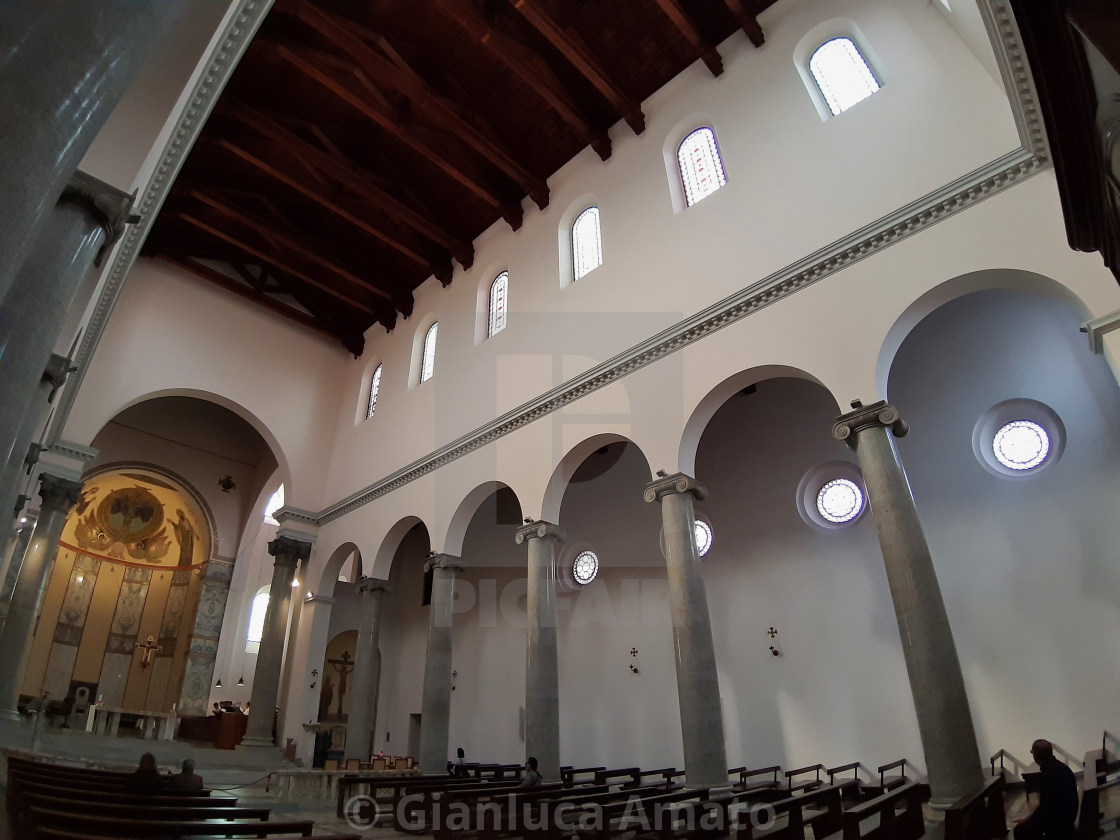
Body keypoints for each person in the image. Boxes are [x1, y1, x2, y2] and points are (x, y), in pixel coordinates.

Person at [1015, 739, 1079, 840]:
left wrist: (1029, 819)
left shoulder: (1049, 775)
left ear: (1035, 757)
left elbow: (1046, 810)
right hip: (1068, 815)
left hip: (1060, 822)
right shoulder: (1061, 767)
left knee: (1020, 830)